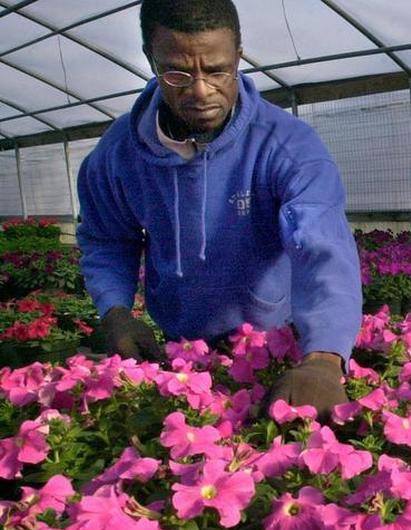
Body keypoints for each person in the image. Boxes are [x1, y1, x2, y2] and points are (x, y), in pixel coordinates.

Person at [76, 0, 362, 419]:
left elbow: (321, 246)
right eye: (177, 72)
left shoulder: (287, 147)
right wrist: (115, 309)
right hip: (177, 346)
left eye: (216, 70)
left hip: (273, 348)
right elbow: (106, 238)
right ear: (150, 61)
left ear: (238, 57)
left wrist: (323, 358)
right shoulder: (118, 153)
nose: (200, 90)